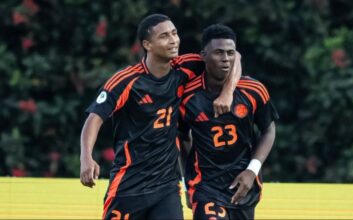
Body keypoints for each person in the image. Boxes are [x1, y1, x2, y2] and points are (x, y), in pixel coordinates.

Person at [79, 14, 241, 220]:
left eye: (174, 33)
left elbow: (235, 57)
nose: (173, 40)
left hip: (167, 186)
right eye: (164, 36)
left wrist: (228, 92)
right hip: (129, 185)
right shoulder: (127, 80)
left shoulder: (184, 67)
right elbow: (94, 118)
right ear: (147, 44)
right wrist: (86, 157)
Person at [179, 24, 279, 220]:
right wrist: (187, 182)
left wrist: (252, 170)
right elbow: (181, 137)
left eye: (230, 53)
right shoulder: (188, 97)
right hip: (206, 186)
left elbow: (268, 130)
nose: (225, 59)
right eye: (218, 53)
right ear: (204, 55)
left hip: (243, 184)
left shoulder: (253, 90)